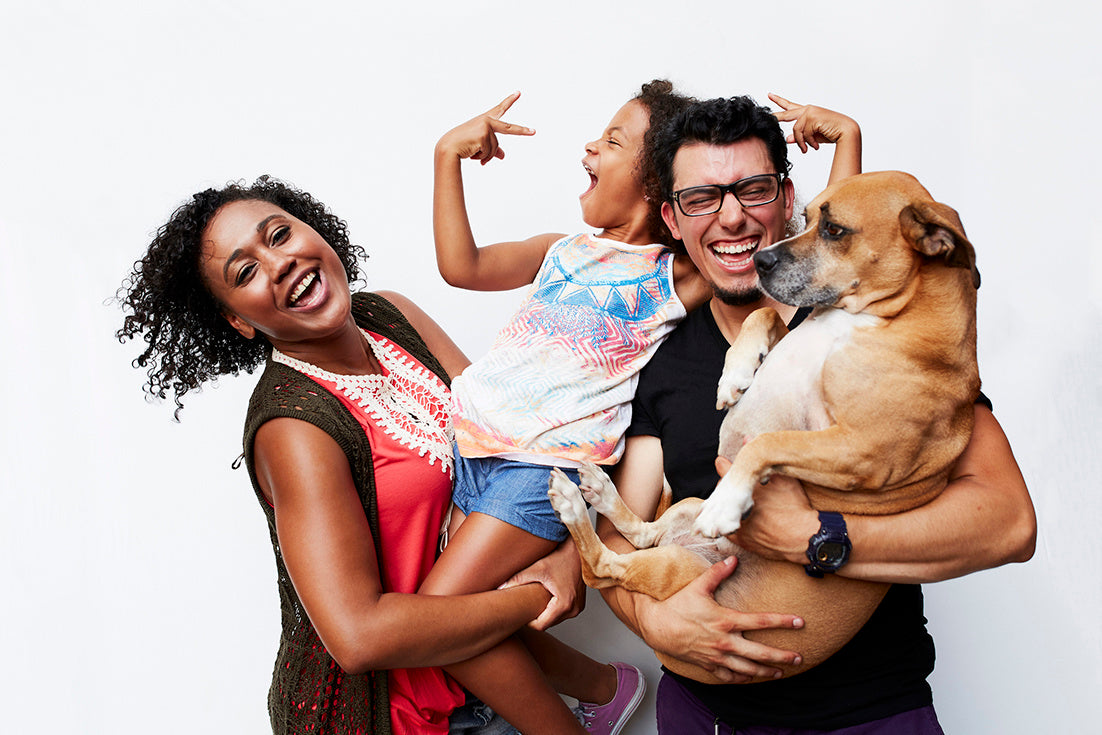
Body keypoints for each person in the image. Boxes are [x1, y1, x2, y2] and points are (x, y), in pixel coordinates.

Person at [426, 82, 861, 734]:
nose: (590, 146)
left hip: (544, 468)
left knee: (431, 618)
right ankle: (603, 688)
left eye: (613, 139)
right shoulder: (561, 249)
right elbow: (462, 266)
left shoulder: (671, 272)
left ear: (655, 189)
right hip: (473, 449)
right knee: (469, 617)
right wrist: (445, 158)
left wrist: (847, 143)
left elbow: (818, 256)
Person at [597, 96, 1037, 733]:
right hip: (702, 713)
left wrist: (817, 537)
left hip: (867, 713)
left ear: (785, 197)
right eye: (701, 199)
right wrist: (652, 620)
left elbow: (1008, 526)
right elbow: (623, 527)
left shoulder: (877, 335)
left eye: (752, 189)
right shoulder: (659, 359)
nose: (732, 218)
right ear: (672, 217)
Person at [114, 177, 591, 735]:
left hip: (498, 684)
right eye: (245, 272)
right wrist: (543, 593)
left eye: (280, 234)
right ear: (239, 322)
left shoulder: (390, 314)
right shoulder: (293, 428)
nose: (280, 263)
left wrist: (570, 551)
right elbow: (359, 637)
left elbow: (511, 443)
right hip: (400, 719)